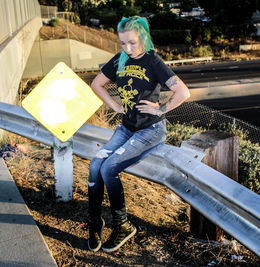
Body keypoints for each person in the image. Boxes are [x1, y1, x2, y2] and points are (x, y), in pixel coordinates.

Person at [87, 16, 190, 252]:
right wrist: (114, 105)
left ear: (143, 37)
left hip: (150, 130)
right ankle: (94, 221)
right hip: (126, 127)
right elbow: (96, 84)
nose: (127, 48)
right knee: (95, 165)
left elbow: (183, 92)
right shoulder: (120, 60)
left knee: (108, 168)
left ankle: (122, 225)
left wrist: (161, 108)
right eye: (123, 43)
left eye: (132, 43)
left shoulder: (153, 60)